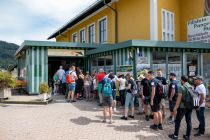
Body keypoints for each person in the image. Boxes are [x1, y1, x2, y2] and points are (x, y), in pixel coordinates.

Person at [168, 75, 193, 140]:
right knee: (189, 121)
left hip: (182, 107)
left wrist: (175, 107)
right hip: (189, 106)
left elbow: (179, 99)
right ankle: (187, 136)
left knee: (178, 121)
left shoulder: (181, 87)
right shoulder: (191, 86)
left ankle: (175, 135)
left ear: (182, 80)